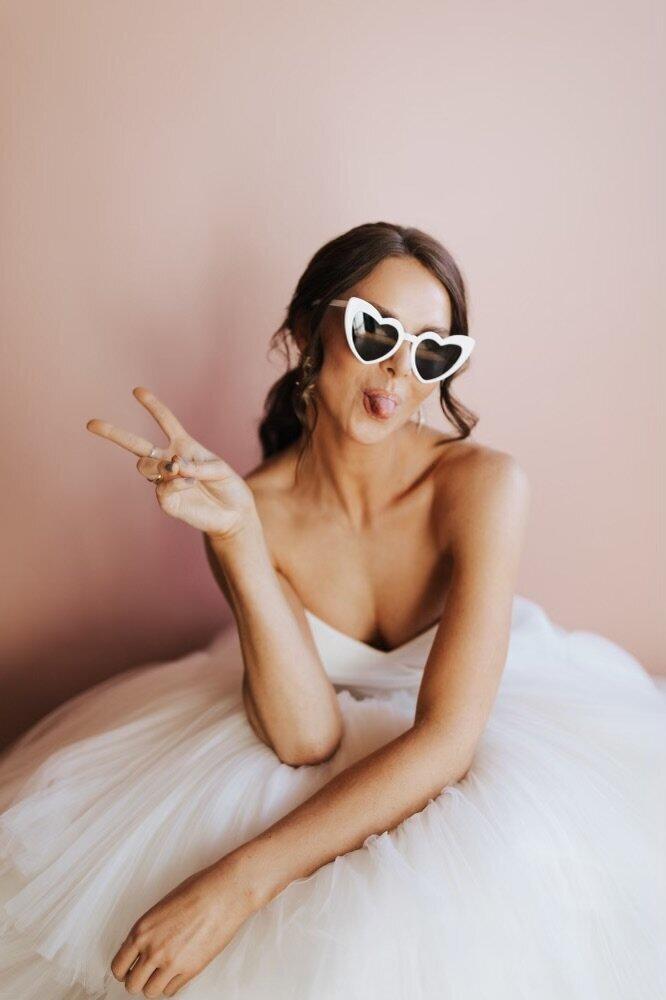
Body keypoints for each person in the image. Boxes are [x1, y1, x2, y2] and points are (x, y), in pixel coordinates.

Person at [0, 221, 664, 1000]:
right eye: (374, 331)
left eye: (431, 351)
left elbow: (448, 741)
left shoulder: (483, 486)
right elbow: (306, 738)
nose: (399, 368)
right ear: (309, 327)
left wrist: (238, 884)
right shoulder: (247, 508)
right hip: (310, 738)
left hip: (481, 732)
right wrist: (241, 537)